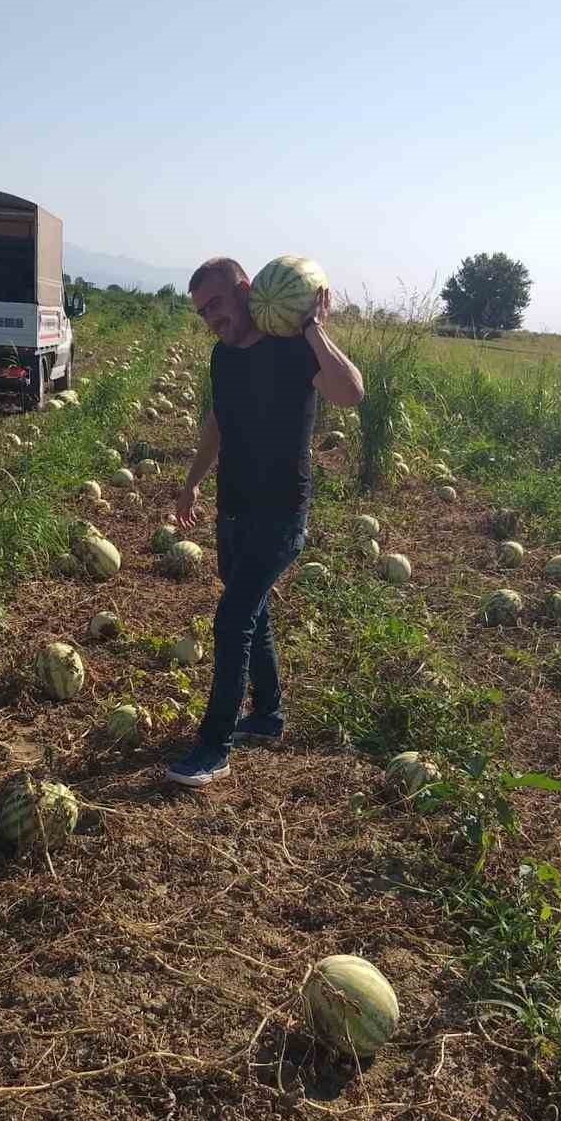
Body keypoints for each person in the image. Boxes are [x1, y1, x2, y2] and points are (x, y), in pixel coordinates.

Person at [166, 257, 364, 789]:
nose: (211, 318)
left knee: (232, 622)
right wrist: (192, 482)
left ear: (246, 290)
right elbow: (216, 423)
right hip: (233, 509)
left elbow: (350, 393)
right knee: (254, 615)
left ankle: (215, 746)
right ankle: (269, 714)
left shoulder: (295, 348)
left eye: (216, 304)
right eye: (202, 312)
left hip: (280, 514)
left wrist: (314, 329)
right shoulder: (221, 358)